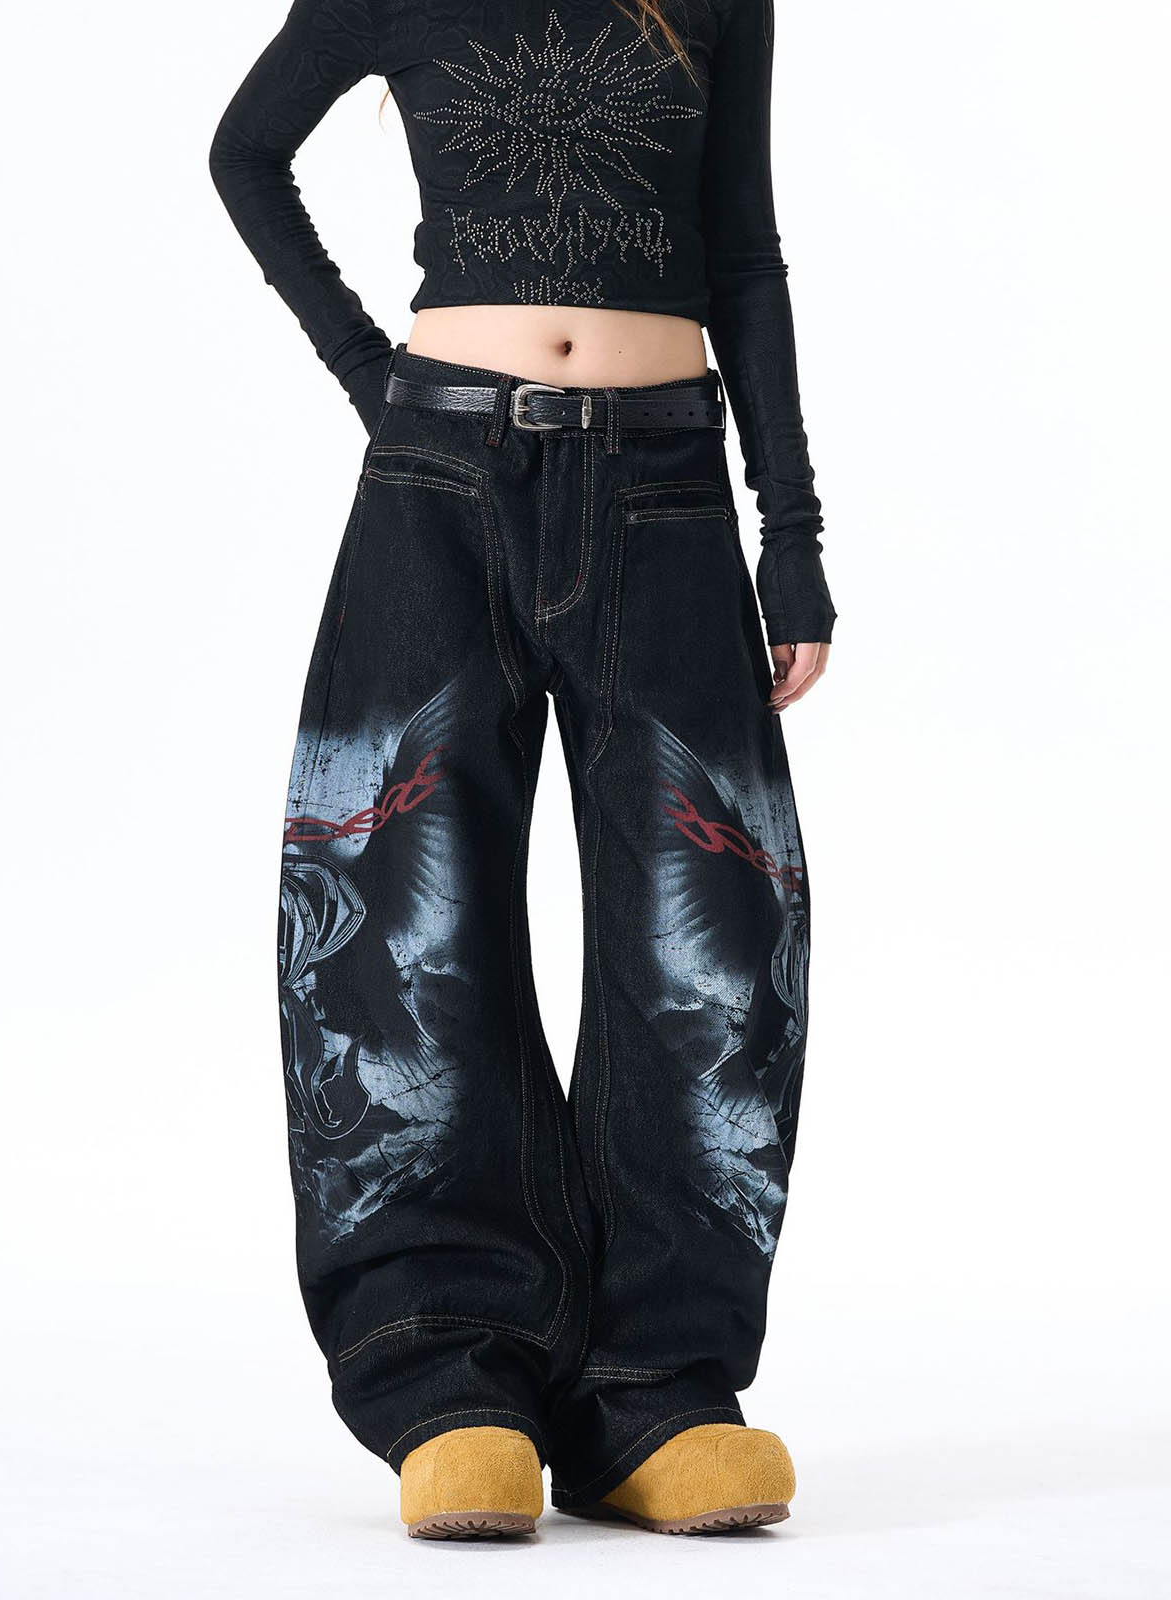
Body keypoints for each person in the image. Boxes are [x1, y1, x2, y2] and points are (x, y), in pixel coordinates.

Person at [210, 0, 835, 1541]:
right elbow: (245, 154)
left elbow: (743, 254)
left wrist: (793, 532)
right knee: (401, 917)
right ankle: (449, 1374)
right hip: (439, 476)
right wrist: (370, 374)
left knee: (712, 930)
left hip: (670, 488)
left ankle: (655, 1387)